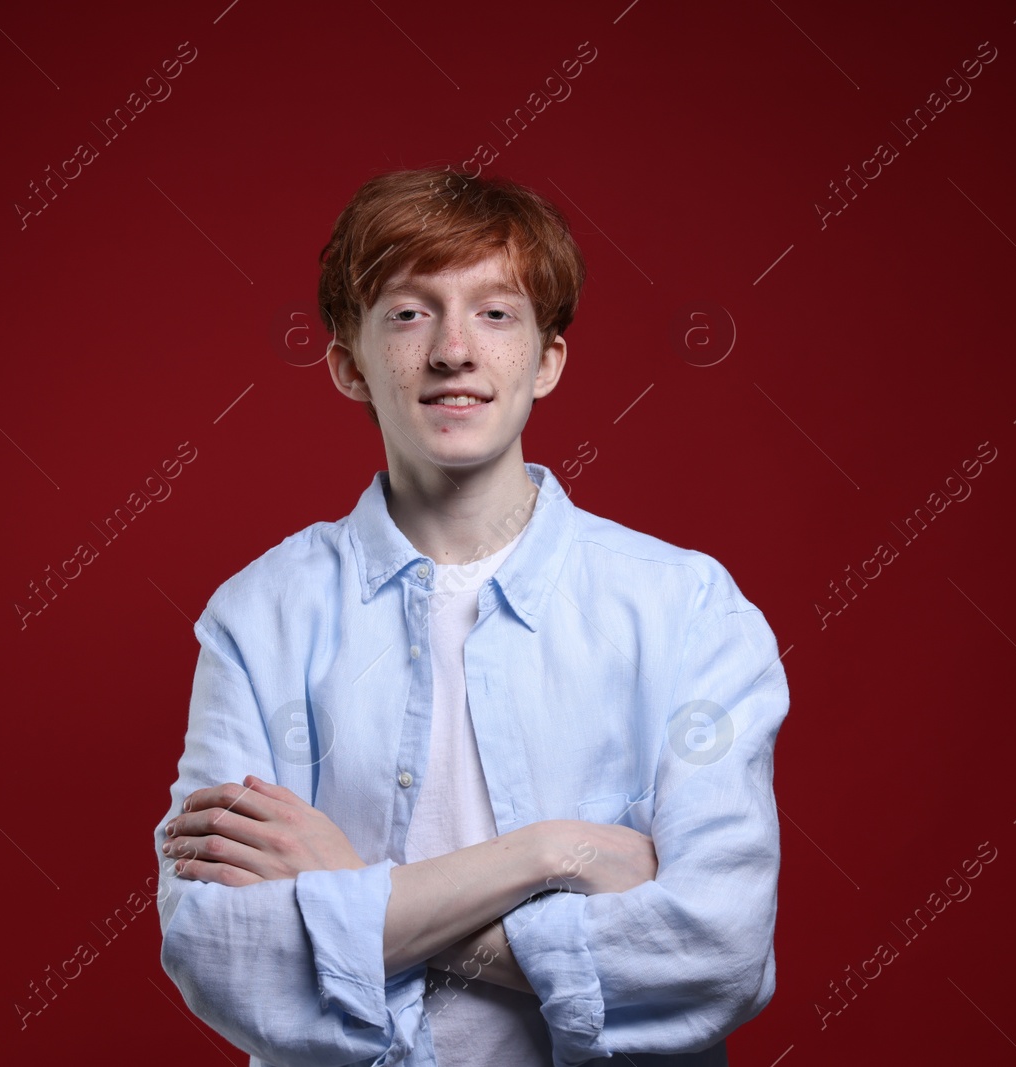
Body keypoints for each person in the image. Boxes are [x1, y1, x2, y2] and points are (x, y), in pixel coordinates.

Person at [153, 167, 791, 1066]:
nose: (455, 349)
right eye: (410, 314)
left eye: (496, 313)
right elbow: (222, 954)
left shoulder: (686, 607)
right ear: (349, 364)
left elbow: (717, 953)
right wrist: (554, 852)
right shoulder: (258, 617)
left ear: (548, 359)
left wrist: (350, 897)